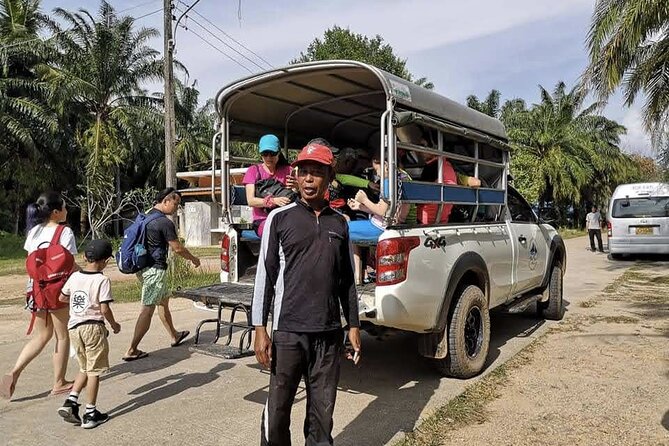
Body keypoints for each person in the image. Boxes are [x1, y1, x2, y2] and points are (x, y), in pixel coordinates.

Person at [252, 142, 361, 446]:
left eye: (317, 173)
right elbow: (266, 277)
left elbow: (346, 281)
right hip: (288, 331)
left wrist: (352, 325)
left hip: (327, 334)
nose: (310, 179)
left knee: (322, 413)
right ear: (296, 177)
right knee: (277, 411)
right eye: (304, 172)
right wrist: (260, 329)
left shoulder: (340, 223)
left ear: (330, 178)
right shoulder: (280, 218)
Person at [1, 192, 77, 400]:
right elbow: (68, 264)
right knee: (62, 336)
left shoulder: (33, 231)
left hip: (36, 288)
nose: (67, 210)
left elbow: (34, 262)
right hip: (56, 289)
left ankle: (14, 371)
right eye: (64, 207)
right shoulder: (65, 232)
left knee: (42, 335)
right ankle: (59, 382)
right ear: (55, 212)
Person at [123, 188, 200, 361]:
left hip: (145, 268)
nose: (176, 207)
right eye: (175, 203)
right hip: (154, 271)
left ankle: (174, 335)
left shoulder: (146, 215)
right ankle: (132, 349)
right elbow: (177, 248)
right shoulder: (164, 223)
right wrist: (194, 259)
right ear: (166, 201)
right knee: (147, 310)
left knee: (163, 301)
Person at [57, 239, 120, 429]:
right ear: (106, 261)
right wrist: (114, 324)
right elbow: (104, 308)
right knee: (95, 372)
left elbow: (62, 297)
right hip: (92, 328)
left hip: (74, 328)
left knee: (84, 367)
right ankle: (91, 413)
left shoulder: (75, 277)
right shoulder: (102, 280)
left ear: (84, 257)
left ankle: (71, 401)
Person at [243, 134, 294, 237]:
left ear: (279, 152)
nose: (268, 157)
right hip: (262, 220)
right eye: (265, 154)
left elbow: (295, 195)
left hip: (285, 217)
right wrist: (273, 201)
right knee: (275, 231)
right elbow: (251, 201)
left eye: (272, 153)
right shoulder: (253, 171)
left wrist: (296, 187)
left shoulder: (289, 170)